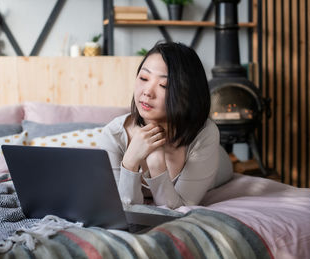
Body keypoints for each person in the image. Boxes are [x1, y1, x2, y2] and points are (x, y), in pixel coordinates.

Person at [99, 42, 233, 209]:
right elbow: (124, 210)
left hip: (218, 163)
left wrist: (157, 166)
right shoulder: (113, 135)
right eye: (143, 78)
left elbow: (178, 209)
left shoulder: (204, 134)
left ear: (187, 94)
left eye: (164, 85)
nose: (147, 91)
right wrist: (130, 163)